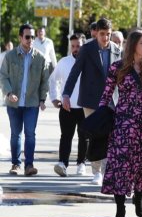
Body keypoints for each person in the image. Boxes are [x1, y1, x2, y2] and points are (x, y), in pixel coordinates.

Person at [99, 29, 142, 217]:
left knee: (141, 164)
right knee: (121, 164)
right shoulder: (117, 68)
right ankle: (120, 207)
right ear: (133, 45)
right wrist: (101, 113)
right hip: (123, 121)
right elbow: (107, 93)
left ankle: (138, 197)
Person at [62, 18, 122, 185]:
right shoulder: (87, 49)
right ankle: (97, 172)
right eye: (102, 34)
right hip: (91, 98)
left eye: (108, 34)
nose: (105, 38)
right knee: (96, 135)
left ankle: (107, 170)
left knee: (110, 136)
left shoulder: (117, 50)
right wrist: (66, 93)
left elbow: (123, 75)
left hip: (112, 99)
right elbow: (75, 72)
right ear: (97, 33)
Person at [0, 23, 49, 176]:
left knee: (30, 133)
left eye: (32, 37)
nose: (30, 40)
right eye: (27, 37)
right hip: (13, 103)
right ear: (20, 37)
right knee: (15, 134)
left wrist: (42, 99)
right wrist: (8, 93)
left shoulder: (40, 58)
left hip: (32, 103)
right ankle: (15, 163)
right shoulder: (10, 56)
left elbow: (44, 81)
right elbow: (3, 76)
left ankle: (29, 165)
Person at [49, 33, 88, 177]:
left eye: (78, 46)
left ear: (84, 45)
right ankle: (62, 163)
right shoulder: (64, 62)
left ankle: (81, 163)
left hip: (85, 107)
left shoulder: (89, 63)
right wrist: (55, 98)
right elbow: (53, 80)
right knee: (66, 136)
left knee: (84, 137)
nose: (76, 49)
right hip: (67, 107)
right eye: (73, 46)